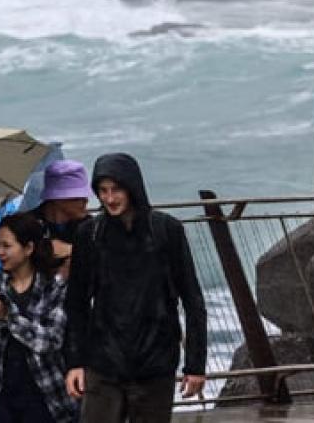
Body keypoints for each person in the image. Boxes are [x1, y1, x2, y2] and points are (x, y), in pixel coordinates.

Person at [63, 152, 207, 423]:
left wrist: (195, 366)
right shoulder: (89, 234)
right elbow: (77, 303)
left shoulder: (167, 230)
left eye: (116, 189)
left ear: (132, 187)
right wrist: (75, 362)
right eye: (102, 191)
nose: (109, 198)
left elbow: (192, 299)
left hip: (156, 363)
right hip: (103, 364)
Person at [0, 212, 80, 423]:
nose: (0, 252)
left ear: (28, 248)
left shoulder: (54, 288)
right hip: (2, 390)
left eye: (7, 246)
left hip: (44, 392)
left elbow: (49, 340)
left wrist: (8, 316)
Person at [35, 159, 91, 270]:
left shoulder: (91, 226)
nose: (86, 201)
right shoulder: (28, 225)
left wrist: (73, 250)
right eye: (78, 198)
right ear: (57, 199)